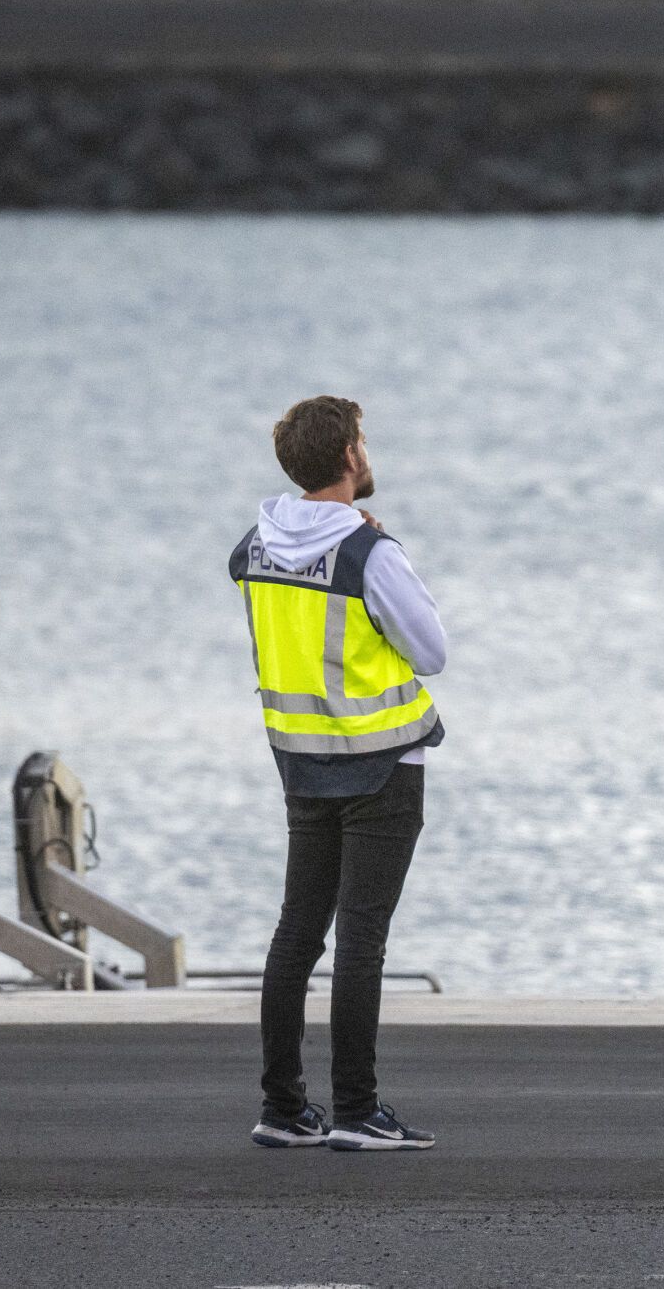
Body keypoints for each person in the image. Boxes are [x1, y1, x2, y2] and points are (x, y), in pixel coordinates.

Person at [231, 395, 447, 1152]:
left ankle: (283, 1107)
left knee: (298, 932)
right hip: (383, 763)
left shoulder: (255, 546)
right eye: (363, 440)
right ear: (349, 458)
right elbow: (432, 651)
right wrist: (376, 551)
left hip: (301, 759)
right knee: (362, 937)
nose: (367, 450)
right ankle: (357, 1110)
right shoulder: (369, 553)